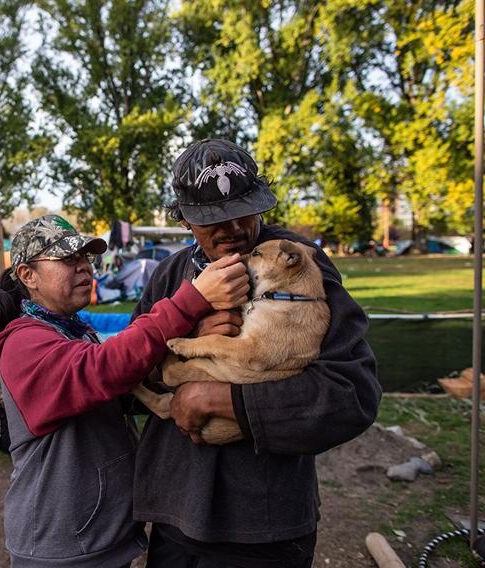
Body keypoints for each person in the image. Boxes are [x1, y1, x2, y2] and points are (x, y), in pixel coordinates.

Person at [132, 139, 381, 567]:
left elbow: (351, 393)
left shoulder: (298, 265)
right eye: (213, 220)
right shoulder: (171, 274)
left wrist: (223, 399)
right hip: (175, 514)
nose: (231, 229)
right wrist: (191, 330)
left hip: (262, 525)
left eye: (242, 212)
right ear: (187, 219)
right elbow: (130, 372)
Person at [0, 214, 249, 567]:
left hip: (94, 535)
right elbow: (103, 369)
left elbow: (124, 383)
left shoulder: (73, 330)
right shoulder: (23, 343)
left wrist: (191, 343)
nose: (83, 268)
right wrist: (191, 302)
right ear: (27, 276)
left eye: (85, 258)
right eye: (67, 260)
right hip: (61, 546)